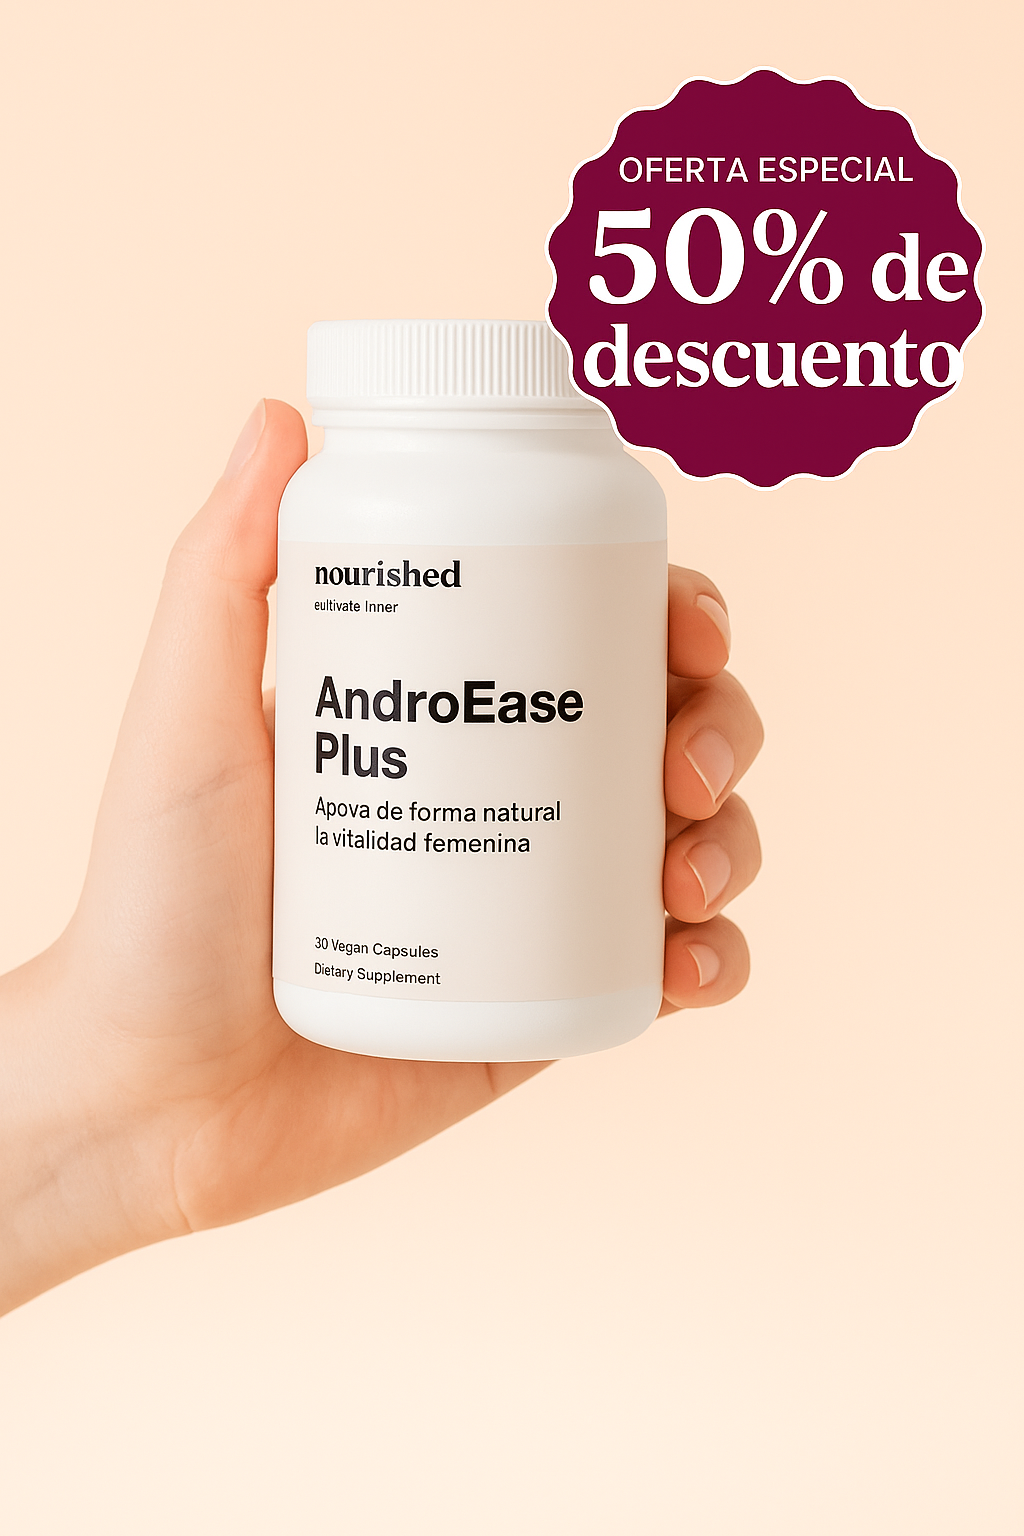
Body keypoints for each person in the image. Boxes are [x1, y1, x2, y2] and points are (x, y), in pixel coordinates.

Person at [0, 400, 763, 1315]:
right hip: (312, 985)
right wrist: (109, 1081)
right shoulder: (341, 508)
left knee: (588, 708)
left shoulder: (597, 501)